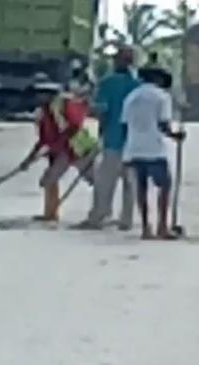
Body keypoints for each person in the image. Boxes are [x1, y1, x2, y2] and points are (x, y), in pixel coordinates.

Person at [77, 46, 140, 230]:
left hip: (113, 138)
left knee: (105, 181)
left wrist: (99, 126)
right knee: (130, 182)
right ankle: (126, 220)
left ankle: (99, 215)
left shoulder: (107, 83)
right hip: (134, 141)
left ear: (117, 61)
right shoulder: (138, 84)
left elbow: (101, 110)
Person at [121, 68, 186, 240]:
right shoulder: (162, 97)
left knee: (141, 188)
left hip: (134, 148)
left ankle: (145, 228)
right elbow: (163, 125)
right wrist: (176, 136)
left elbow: (125, 124)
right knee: (164, 186)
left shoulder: (131, 97)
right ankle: (162, 226)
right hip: (155, 149)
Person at [21, 82, 97, 222]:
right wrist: (28, 160)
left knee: (96, 181)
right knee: (49, 179)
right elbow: (43, 140)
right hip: (65, 151)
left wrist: (59, 143)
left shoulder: (63, 106)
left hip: (77, 148)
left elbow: (74, 126)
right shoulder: (44, 113)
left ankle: (101, 212)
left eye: (41, 94)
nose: (38, 97)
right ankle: (50, 213)